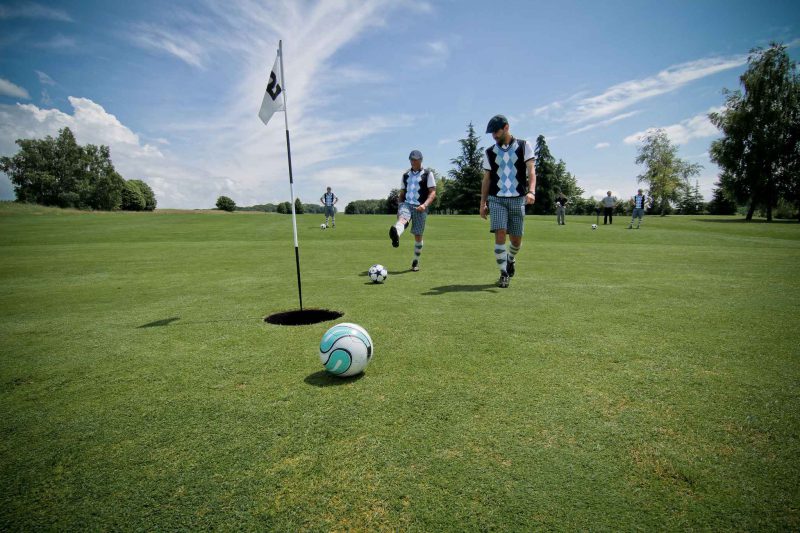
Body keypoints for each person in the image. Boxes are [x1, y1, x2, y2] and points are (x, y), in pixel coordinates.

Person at [480, 115, 536, 288]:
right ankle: (503, 273)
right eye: (491, 134)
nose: (494, 136)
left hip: (518, 199)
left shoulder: (524, 146)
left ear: (506, 127)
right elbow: (487, 179)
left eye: (496, 132)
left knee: (516, 240)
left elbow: (531, 171)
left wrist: (531, 191)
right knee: (500, 233)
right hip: (496, 199)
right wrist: (483, 203)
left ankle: (510, 260)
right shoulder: (489, 152)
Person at [389, 150, 436, 271]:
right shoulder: (405, 175)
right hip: (407, 204)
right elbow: (402, 193)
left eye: (415, 159)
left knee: (418, 235)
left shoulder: (428, 174)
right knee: (403, 218)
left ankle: (415, 261)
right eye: (411, 159)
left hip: (420, 207)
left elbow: (432, 192)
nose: (413, 162)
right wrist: (399, 206)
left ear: (421, 160)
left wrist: (425, 205)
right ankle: (396, 235)